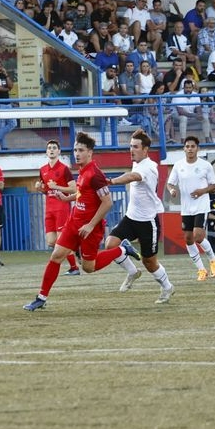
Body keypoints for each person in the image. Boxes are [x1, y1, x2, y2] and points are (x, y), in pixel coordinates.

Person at [23, 132, 141, 311]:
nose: (76, 153)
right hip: (73, 223)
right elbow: (82, 195)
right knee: (56, 256)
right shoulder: (82, 170)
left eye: (80, 150)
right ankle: (41, 297)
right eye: (75, 150)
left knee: (88, 268)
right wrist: (67, 198)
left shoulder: (95, 174)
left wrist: (91, 225)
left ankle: (122, 249)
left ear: (90, 153)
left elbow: (107, 202)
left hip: (90, 228)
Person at [105, 129, 175, 304]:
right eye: (130, 146)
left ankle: (167, 287)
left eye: (135, 147)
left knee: (149, 262)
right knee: (110, 245)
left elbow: (132, 177)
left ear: (145, 150)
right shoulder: (137, 162)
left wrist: (112, 181)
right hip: (131, 218)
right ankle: (132, 272)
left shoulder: (149, 167)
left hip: (148, 222)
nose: (131, 150)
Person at [166, 136, 215, 281]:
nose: (190, 149)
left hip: (201, 206)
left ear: (197, 149)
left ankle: (213, 260)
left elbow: (214, 185)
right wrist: (172, 191)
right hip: (186, 208)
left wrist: (202, 191)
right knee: (188, 239)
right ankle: (201, 270)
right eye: (187, 146)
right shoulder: (178, 165)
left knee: (198, 236)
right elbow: (170, 183)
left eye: (192, 146)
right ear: (184, 148)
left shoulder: (205, 165)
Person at [34, 140, 79, 275]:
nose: (52, 150)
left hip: (62, 208)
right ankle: (76, 249)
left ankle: (74, 268)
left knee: (61, 240)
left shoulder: (64, 168)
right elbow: (46, 190)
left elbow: (73, 189)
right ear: (46, 151)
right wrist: (40, 189)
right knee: (51, 241)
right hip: (49, 209)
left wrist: (57, 187)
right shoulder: (43, 170)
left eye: (54, 148)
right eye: (49, 148)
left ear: (59, 151)